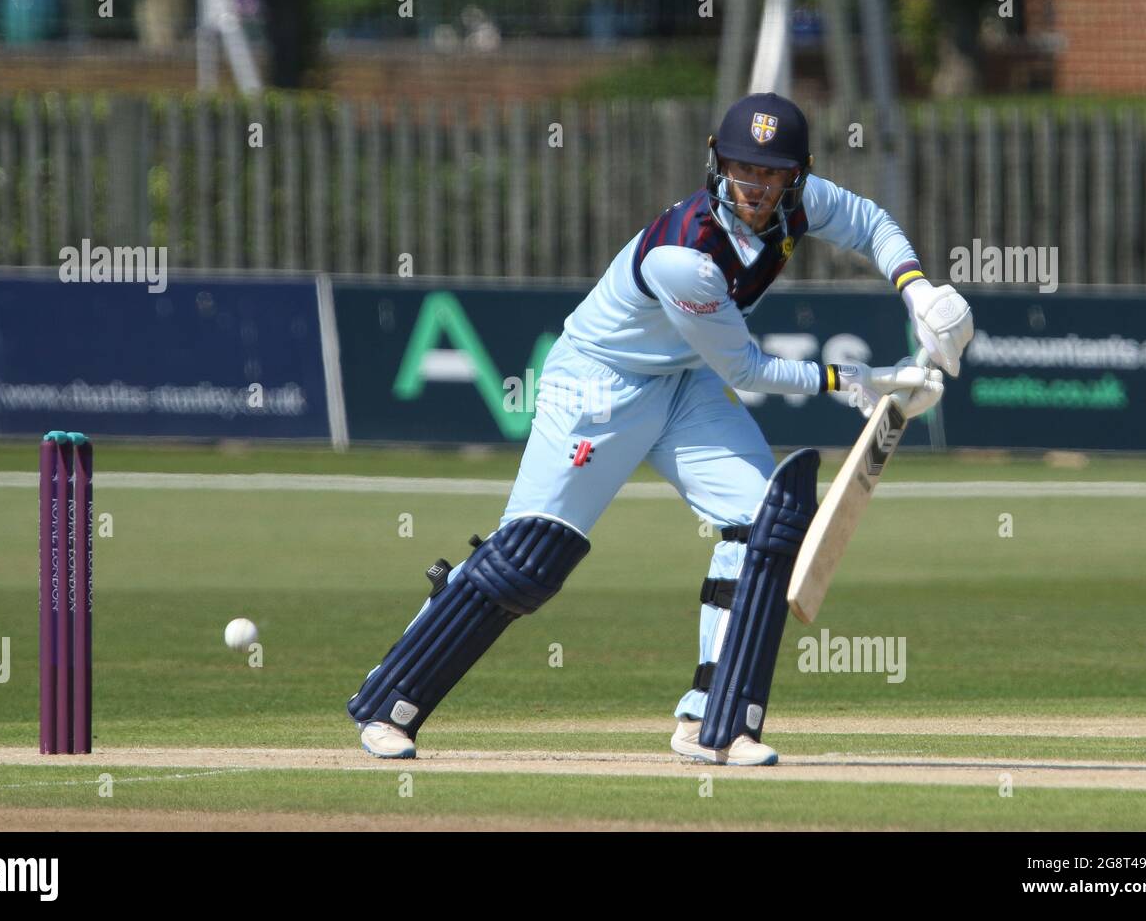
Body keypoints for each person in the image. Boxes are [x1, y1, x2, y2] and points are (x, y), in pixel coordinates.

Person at [347, 92, 974, 765]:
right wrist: (853, 380)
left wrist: (920, 292)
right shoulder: (686, 256)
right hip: (599, 386)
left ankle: (717, 721)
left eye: (772, 173)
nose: (758, 187)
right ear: (717, 162)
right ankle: (390, 700)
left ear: (796, 173)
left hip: (681, 384)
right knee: (529, 559)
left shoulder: (800, 200)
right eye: (743, 169)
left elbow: (871, 222)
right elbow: (747, 367)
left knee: (765, 521)